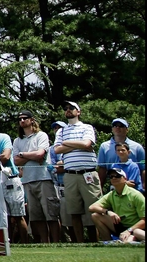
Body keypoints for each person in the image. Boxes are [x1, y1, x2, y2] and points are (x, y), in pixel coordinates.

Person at [54, 100, 102, 243]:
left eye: (71, 108)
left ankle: (96, 242)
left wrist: (66, 143)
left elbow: (87, 144)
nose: (68, 110)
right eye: (66, 108)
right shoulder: (61, 131)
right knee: (74, 211)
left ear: (78, 112)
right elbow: (57, 149)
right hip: (70, 174)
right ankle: (80, 243)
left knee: (94, 210)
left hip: (88, 173)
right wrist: (78, 144)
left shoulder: (87, 127)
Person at [12, 110, 59, 243]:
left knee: (51, 214)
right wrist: (31, 155)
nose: (22, 121)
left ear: (32, 120)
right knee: (36, 216)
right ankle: (45, 242)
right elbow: (16, 161)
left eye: (25, 118)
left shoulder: (41, 135)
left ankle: (56, 242)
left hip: (44, 178)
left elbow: (40, 155)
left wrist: (23, 155)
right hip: (27, 180)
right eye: (19, 118)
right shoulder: (17, 141)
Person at [0, 114, 28, 244]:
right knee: (1, 215)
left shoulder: (3, 137)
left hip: (10, 178)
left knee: (17, 215)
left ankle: (26, 245)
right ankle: (6, 243)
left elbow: (6, 156)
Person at [89, 168, 145, 243]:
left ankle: (131, 239)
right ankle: (108, 242)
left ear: (125, 179)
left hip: (135, 228)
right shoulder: (111, 194)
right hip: (120, 225)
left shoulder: (136, 195)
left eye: (118, 176)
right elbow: (92, 207)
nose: (114, 178)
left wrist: (129, 231)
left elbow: (144, 220)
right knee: (95, 216)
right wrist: (108, 212)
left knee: (129, 240)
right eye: (111, 176)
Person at [97, 118, 145, 191]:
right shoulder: (104, 146)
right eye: (115, 126)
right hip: (115, 188)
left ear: (127, 129)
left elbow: (143, 169)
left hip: (134, 189)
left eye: (121, 126)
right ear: (112, 129)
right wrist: (100, 188)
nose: (117, 128)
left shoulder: (137, 147)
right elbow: (102, 169)